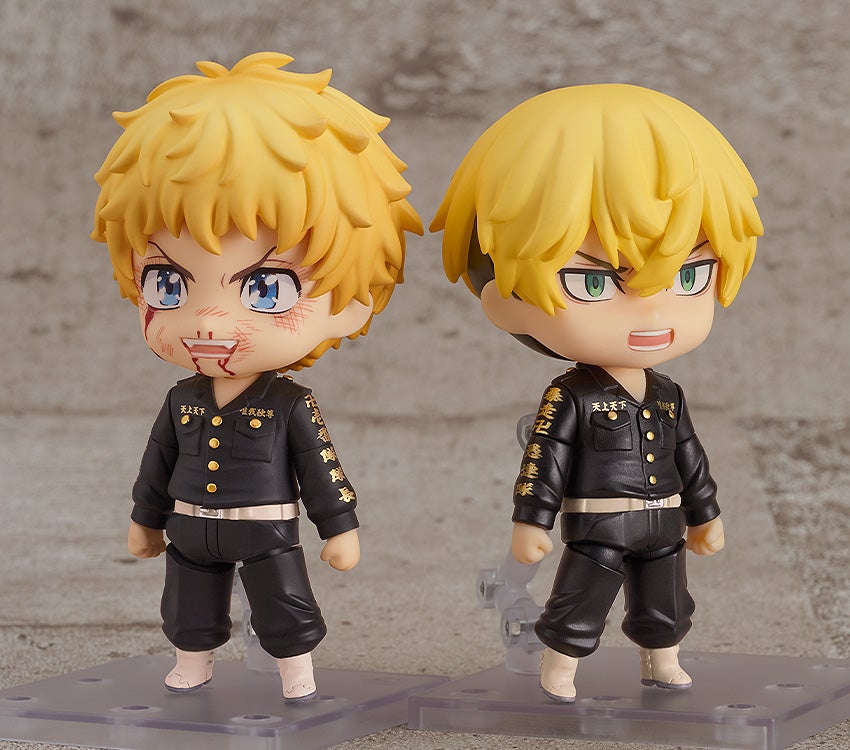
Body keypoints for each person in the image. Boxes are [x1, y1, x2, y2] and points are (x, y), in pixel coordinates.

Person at [92, 52, 422, 701]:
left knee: (283, 601)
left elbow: (319, 466)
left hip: (267, 528)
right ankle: (193, 661)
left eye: (265, 288)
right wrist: (145, 518)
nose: (208, 321)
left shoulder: (289, 404)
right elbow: (158, 460)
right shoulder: (182, 399)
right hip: (189, 526)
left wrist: (339, 526)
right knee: (188, 603)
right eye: (168, 283)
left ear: (354, 298)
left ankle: (296, 671)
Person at [431, 83, 762, 702]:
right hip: (599, 522)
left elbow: (689, 454)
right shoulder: (572, 395)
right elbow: (546, 459)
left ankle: (662, 659)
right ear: (504, 296)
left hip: (664, 518)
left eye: (689, 274)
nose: (651, 310)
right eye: (593, 282)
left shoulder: (666, 392)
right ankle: (560, 666)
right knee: (580, 599)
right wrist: (532, 520)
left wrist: (706, 512)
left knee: (667, 600)